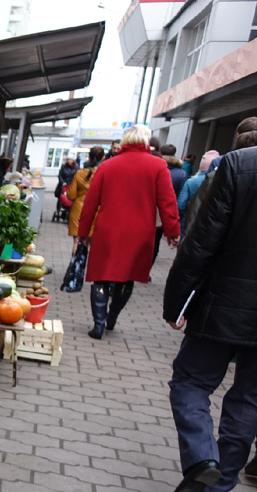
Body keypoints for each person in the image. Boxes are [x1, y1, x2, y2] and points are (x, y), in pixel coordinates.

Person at [163, 125, 257, 492]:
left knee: (190, 382)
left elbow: (201, 242)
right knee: (249, 399)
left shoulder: (239, 165)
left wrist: (177, 303)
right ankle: (218, 488)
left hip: (223, 304)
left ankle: (203, 459)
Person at [76, 124, 180, 339]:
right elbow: (168, 203)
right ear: (146, 141)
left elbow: (90, 204)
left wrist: (83, 233)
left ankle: (98, 323)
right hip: (140, 232)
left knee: (101, 276)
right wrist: (173, 232)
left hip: (108, 230)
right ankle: (112, 317)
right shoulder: (158, 166)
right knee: (127, 277)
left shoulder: (107, 166)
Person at [65, 146, 104, 249]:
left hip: (78, 210)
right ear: (103, 158)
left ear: (89, 157)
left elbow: (71, 195)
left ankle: (75, 264)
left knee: (77, 243)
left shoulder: (79, 173)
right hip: (96, 212)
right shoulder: (103, 174)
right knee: (93, 246)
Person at [177, 150, 220, 229]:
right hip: (206, 227)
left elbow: (180, 205)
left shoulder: (191, 182)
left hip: (186, 224)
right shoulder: (219, 183)